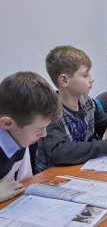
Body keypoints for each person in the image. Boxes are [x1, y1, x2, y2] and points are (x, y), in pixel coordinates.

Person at [35, 46, 107, 173]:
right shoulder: (49, 112)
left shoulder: (87, 102)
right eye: (85, 75)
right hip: (53, 177)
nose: (92, 79)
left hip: (83, 168)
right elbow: (60, 152)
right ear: (64, 80)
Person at [0, 71, 61, 203]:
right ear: (7, 123)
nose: (44, 134)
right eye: (39, 130)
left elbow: (22, 184)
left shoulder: (20, 138)